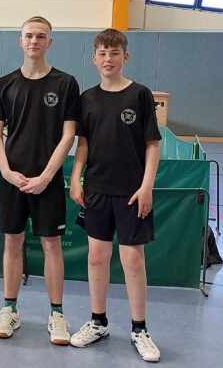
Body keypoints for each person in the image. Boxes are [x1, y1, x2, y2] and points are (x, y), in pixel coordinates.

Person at [68, 28, 162, 362]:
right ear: (94, 59)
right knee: (96, 256)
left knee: (132, 259)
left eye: (115, 53)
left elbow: (153, 144)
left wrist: (146, 186)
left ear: (125, 57)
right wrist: (76, 178)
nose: (108, 59)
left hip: (132, 193)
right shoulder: (87, 98)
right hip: (96, 190)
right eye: (103, 54)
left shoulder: (140, 95)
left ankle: (139, 329)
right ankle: (98, 322)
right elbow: (84, 143)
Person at [0, 16, 79, 344]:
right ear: (21, 40)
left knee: (51, 244)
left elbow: (68, 136)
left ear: (49, 42)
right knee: (12, 242)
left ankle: (56, 314)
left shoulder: (65, 83)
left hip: (48, 181)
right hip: (13, 180)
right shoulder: (4, 84)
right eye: (29, 35)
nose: (34, 41)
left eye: (41, 36)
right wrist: (6, 172)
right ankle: (9, 309)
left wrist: (46, 176)